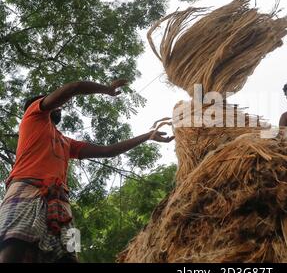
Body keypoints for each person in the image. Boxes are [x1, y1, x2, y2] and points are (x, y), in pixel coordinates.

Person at [0, 79, 174, 262]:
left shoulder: (66, 143)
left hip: (61, 202)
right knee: (13, 246)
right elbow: (74, 87)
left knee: (70, 256)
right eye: (54, 102)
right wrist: (106, 89)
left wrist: (147, 136)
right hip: (27, 189)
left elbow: (108, 151)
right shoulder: (32, 116)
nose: (60, 106)